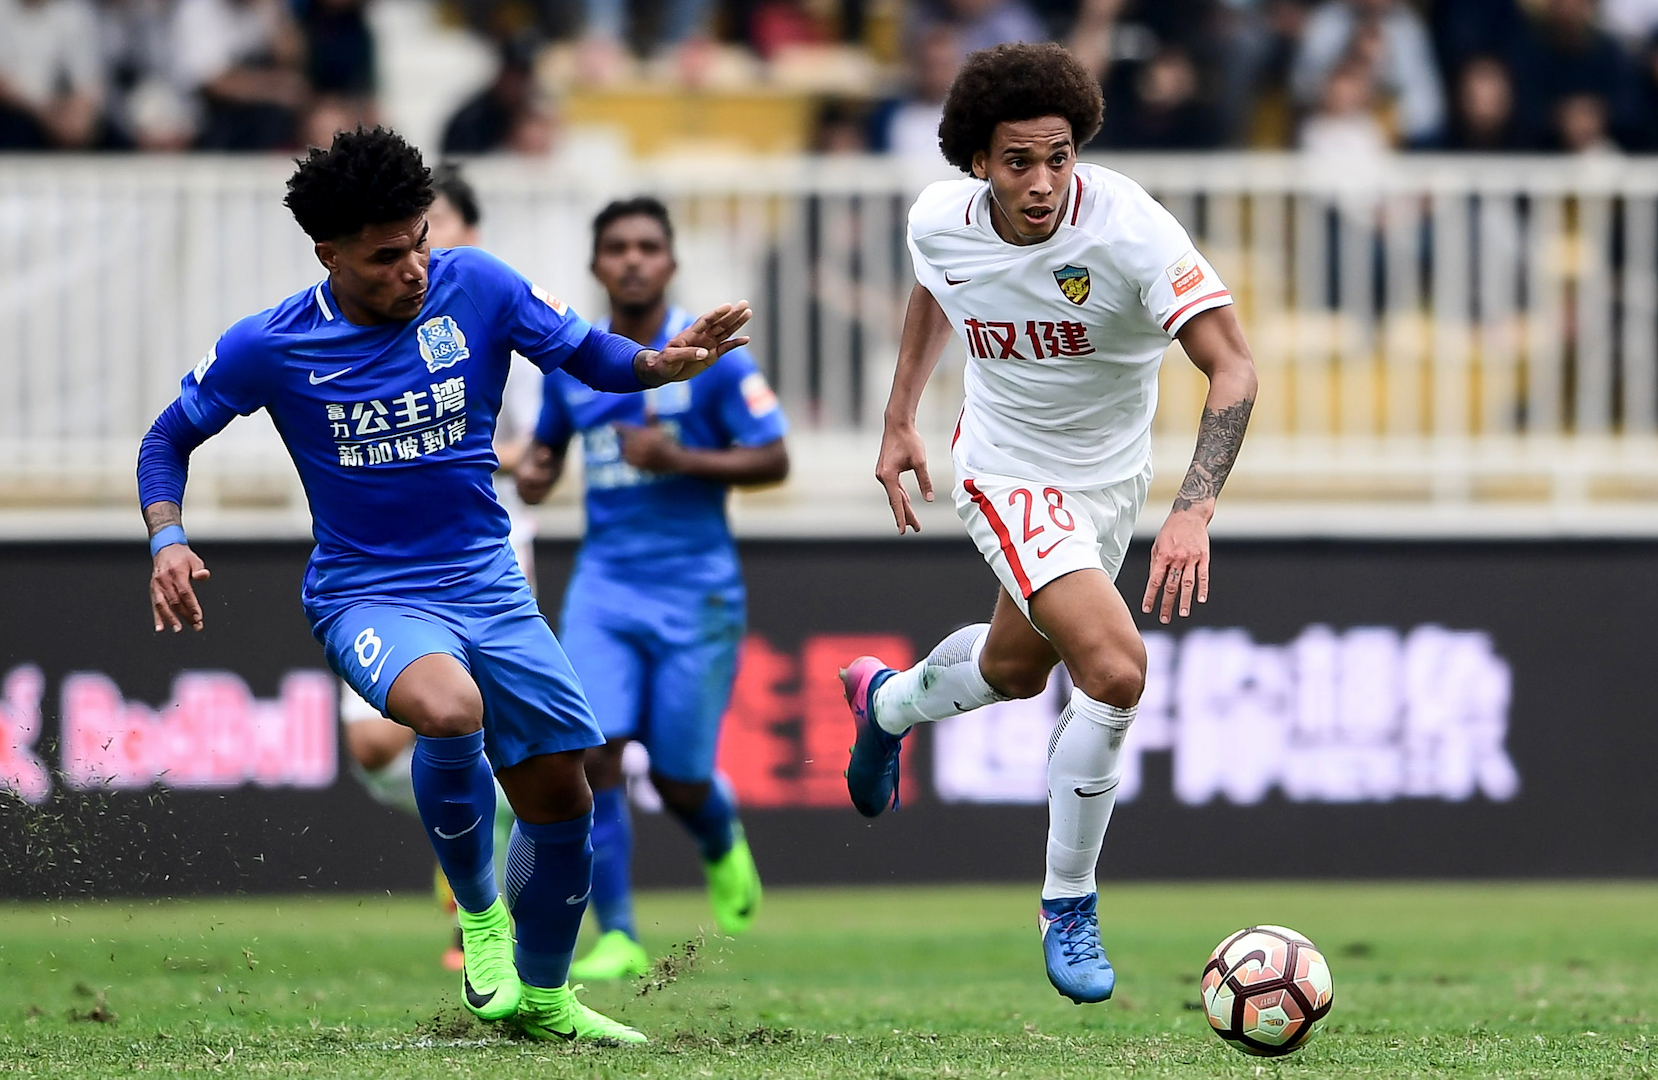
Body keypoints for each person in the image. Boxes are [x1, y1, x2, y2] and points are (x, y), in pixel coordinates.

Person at [137, 127, 752, 1043]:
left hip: (487, 583)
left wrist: (665, 365)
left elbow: (586, 353)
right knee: (449, 707)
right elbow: (165, 440)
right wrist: (168, 538)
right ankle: (479, 920)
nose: (415, 268)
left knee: (564, 796)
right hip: (367, 593)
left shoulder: (482, 285)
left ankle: (546, 1000)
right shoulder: (269, 344)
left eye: (421, 240)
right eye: (388, 257)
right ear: (329, 254)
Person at [838, 43, 1256, 1005]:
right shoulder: (940, 219)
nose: (1041, 183)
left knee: (1016, 671)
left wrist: (1192, 511)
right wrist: (901, 417)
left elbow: (1232, 368)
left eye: (1058, 157)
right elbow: (937, 291)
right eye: (1018, 161)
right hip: (1003, 471)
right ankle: (1067, 899)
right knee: (1114, 669)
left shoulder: (1133, 235)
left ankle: (887, 705)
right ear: (977, 162)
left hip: (1111, 485)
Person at [515, 197, 788, 981]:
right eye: (617, 248)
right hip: (604, 585)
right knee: (591, 753)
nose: (633, 259)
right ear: (597, 264)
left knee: (676, 775)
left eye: (647, 247)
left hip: (697, 590)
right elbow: (546, 458)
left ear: (669, 263)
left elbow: (773, 460)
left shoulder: (716, 358)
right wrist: (533, 474)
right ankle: (620, 934)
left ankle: (718, 836)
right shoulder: (575, 364)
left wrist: (681, 461)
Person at [334, 162, 538, 973]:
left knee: (482, 728)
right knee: (377, 745)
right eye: (402, 241)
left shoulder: (490, 317)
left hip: (481, 556)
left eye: (433, 231)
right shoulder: (330, 331)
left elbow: (536, 451)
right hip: (375, 567)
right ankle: (467, 836)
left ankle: (476, 911)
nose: (419, 255)